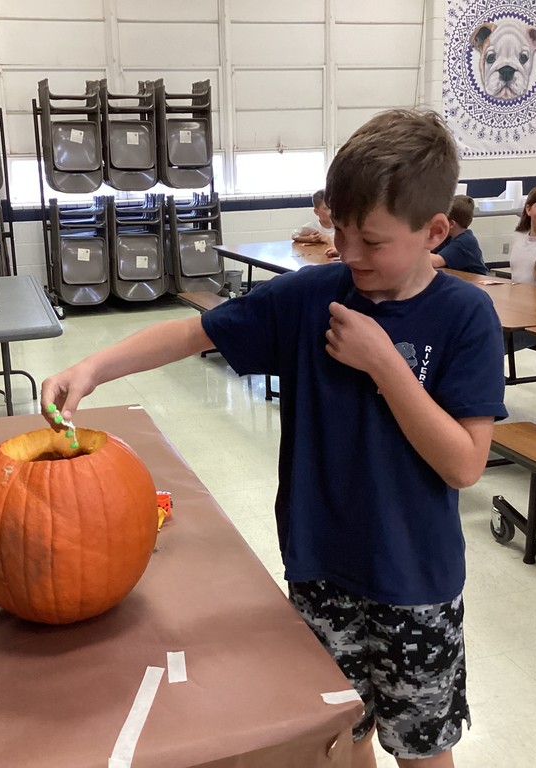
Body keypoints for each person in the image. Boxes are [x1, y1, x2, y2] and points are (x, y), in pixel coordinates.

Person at [41, 109, 508, 768]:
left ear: (435, 231)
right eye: (339, 232)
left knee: (422, 750)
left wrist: (383, 363)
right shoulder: (312, 295)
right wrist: (91, 367)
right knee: (337, 737)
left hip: (416, 582)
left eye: (370, 242)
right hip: (319, 568)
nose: (348, 254)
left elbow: (465, 463)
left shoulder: (466, 316)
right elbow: (195, 332)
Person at [430, 195, 488, 275]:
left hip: (476, 284)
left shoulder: (466, 241)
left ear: (451, 224)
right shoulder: (448, 238)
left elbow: (435, 261)